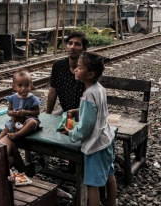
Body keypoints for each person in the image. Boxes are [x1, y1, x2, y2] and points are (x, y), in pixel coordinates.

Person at [61, 52, 117, 206]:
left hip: (95, 145)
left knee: (92, 183)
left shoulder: (88, 95)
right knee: (109, 175)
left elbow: (86, 127)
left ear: (90, 74)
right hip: (107, 138)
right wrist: (79, 111)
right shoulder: (99, 89)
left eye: (79, 68)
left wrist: (71, 133)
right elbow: (97, 111)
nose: (76, 70)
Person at [46, 31, 88, 115]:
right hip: (66, 112)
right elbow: (53, 91)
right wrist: (47, 114)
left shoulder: (87, 68)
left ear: (84, 49)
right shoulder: (58, 65)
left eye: (77, 44)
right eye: (70, 43)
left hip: (84, 113)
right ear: (66, 47)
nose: (72, 47)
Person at [0, 71, 41, 140]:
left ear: (31, 86)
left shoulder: (33, 98)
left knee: (33, 123)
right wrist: (11, 113)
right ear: (14, 87)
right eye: (20, 86)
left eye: (27, 85)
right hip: (15, 121)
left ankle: (17, 134)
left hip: (27, 121)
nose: (23, 88)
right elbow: (9, 111)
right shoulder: (12, 98)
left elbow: (37, 112)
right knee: (6, 129)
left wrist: (26, 112)